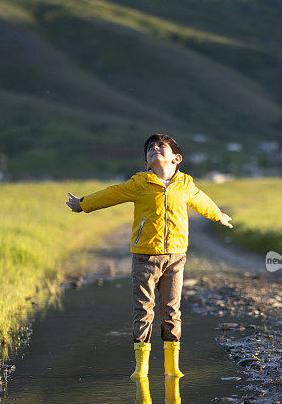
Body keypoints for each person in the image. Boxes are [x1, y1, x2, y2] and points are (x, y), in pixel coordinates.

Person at [66, 134, 233, 378]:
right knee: (143, 310)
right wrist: (83, 203)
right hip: (145, 257)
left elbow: (201, 201)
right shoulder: (139, 183)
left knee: (171, 310)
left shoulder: (185, 184)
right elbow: (112, 194)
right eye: (150, 148)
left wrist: (218, 215)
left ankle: (172, 366)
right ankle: (141, 368)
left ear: (176, 158)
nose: (154, 149)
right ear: (146, 162)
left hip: (176, 257)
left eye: (160, 146)